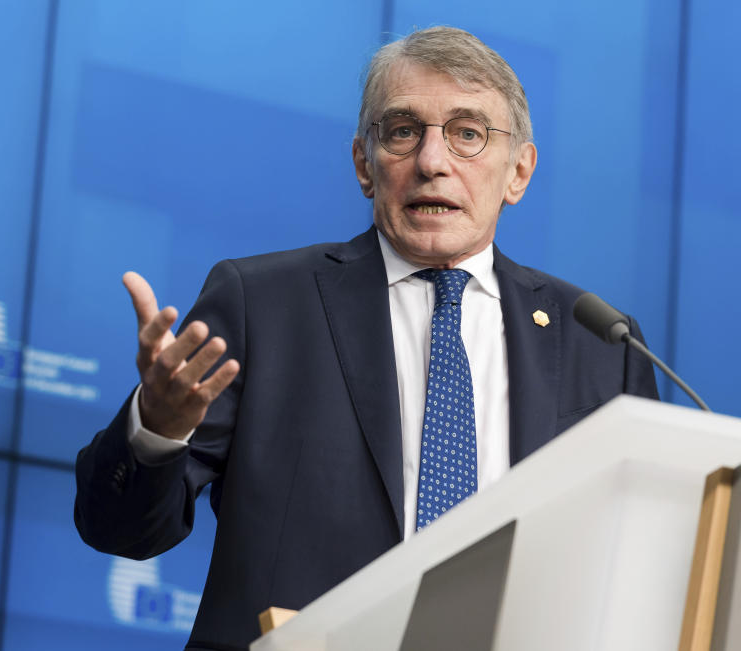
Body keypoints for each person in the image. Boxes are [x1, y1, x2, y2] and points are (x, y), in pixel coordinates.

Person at [74, 26, 658, 651]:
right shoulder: (263, 304)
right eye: (404, 131)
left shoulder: (603, 344)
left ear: (518, 171)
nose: (433, 162)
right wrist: (158, 429)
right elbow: (124, 533)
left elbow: (644, 574)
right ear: (364, 164)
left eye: (468, 134)